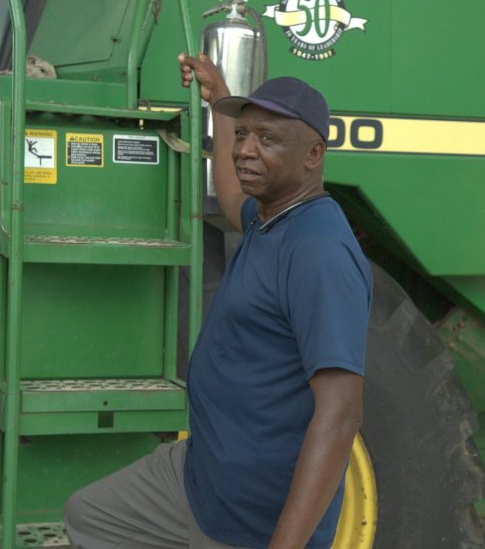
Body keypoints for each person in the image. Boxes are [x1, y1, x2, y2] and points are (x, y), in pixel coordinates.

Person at [64, 53, 372, 549]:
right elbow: (230, 195)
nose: (245, 150)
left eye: (267, 139)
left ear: (313, 155)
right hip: (199, 477)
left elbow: (341, 414)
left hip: (249, 518)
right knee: (92, 516)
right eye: (244, 135)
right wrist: (219, 102)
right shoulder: (269, 216)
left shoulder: (319, 253)